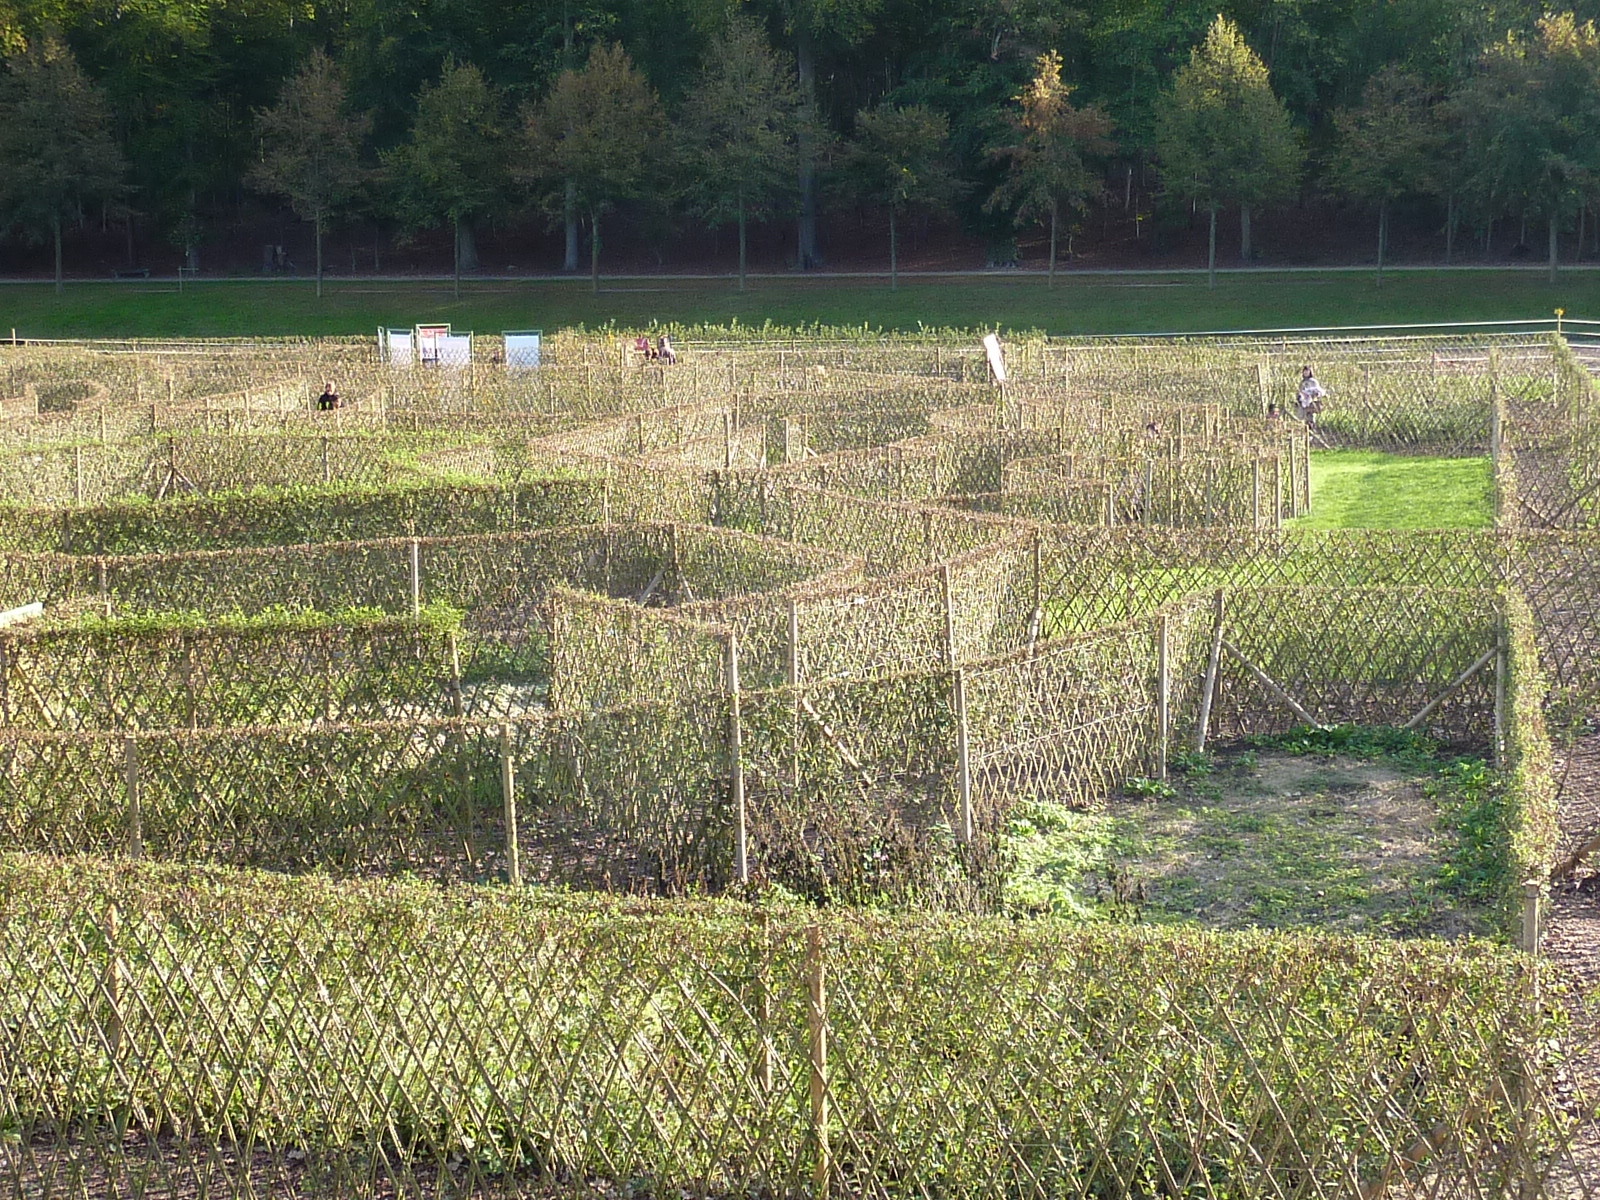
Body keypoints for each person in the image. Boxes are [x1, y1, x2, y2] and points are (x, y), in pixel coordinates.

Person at [1296, 365, 1326, 430]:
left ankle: (1312, 430)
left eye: (1307, 371)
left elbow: (1320, 391)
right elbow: (1300, 391)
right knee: (1303, 419)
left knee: (1311, 418)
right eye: (1304, 371)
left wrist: (1315, 394)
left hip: (1311, 402)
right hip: (1303, 403)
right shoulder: (1302, 382)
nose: (1306, 373)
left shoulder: (1313, 382)